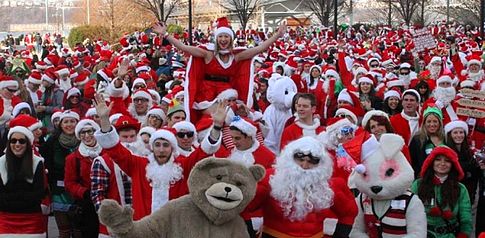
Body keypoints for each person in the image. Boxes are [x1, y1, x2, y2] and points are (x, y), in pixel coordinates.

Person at [152, 18, 286, 121]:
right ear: (216, 39)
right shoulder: (208, 54)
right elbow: (184, 48)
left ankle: (237, 133)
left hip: (227, 92)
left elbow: (259, 48)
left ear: (231, 38)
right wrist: (165, 34)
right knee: (217, 117)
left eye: (226, 36)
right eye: (220, 36)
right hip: (207, 93)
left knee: (234, 117)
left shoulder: (236, 56)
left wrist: (277, 35)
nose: (223, 39)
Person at [247, 137, 357, 237]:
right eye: (300, 159)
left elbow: (348, 213)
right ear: (289, 158)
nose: (304, 166)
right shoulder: (270, 179)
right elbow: (243, 207)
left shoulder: (329, 186)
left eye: (311, 161)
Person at [411, 146, 473, 238]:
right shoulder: (418, 184)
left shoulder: (460, 188)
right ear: (431, 162)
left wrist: (464, 234)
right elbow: (411, 211)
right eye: (438, 159)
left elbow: (466, 217)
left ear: (453, 164)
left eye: (447, 161)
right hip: (424, 234)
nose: (442, 163)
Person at [40, 110, 81, 238]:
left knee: (78, 230)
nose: (69, 125)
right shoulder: (52, 141)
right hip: (59, 191)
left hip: (79, 190)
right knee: (64, 230)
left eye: (72, 121)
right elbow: (46, 164)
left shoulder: (83, 139)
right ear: (60, 125)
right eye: (66, 122)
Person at [0, 126, 46, 236]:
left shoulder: (37, 163)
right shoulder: (1, 163)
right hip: (6, 219)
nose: (17, 144)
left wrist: (13, 197)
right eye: (13, 141)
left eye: (22, 141)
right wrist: (23, 196)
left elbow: (38, 194)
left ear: (28, 143)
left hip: (32, 219)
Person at [64, 119, 103, 237]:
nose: (87, 136)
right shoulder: (73, 158)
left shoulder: (107, 152)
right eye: (83, 133)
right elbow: (69, 183)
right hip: (87, 204)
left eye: (90, 132)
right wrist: (84, 192)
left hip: (107, 201)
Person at [444, 120, 480, 203]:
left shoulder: (469, 152)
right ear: (450, 135)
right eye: (455, 133)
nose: (459, 135)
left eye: (461, 132)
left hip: (467, 193)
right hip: (451, 193)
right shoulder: (446, 151)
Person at [409, 106, 445, 178]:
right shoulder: (417, 140)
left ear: (440, 123)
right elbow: (412, 162)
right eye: (429, 121)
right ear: (424, 123)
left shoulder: (446, 138)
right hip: (424, 179)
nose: (432, 124)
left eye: (435, 121)